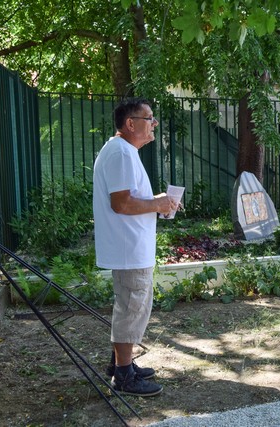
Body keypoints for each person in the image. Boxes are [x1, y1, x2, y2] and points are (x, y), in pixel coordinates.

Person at [93, 98, 177, 397]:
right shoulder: (121, 152)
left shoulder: (122, 151)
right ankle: (124, 376)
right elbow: (122, 203)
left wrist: (158, 201)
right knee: (131, 309)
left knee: (131, 307)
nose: (154, 123)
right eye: (149, 117)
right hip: (129, 248)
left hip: (130, 246)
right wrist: (157, 204)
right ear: (130, 123)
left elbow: (128, 198)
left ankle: (120, 364)